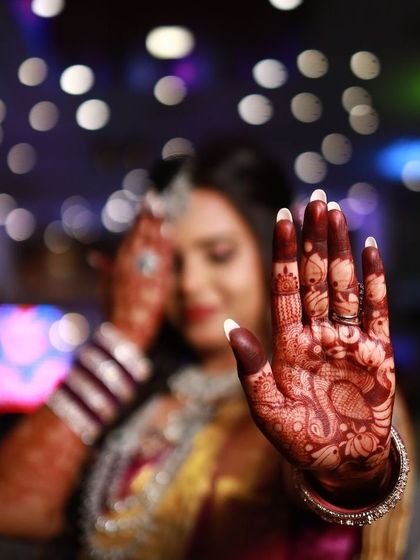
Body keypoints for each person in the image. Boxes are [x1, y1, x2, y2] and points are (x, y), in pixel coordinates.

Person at [0, 141, 414, 559]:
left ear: (271, 251)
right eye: (171, 264)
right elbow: (13, 507)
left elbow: (338, 500)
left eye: (219, 255)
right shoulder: (136, 393)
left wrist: (348, 476)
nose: (190, 283)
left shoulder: (320, 397)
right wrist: (121, 337)